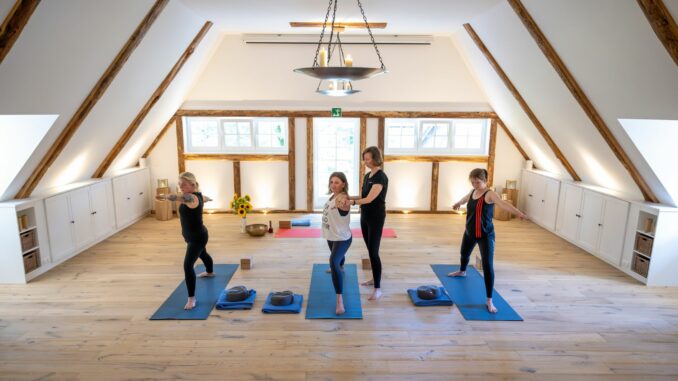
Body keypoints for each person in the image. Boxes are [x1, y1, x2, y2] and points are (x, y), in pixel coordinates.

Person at [448, 168, 528, 313]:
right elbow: (466, 198)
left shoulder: (490, 194)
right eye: (472, 182)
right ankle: (462, 271)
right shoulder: (473, 191)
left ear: (485, 181)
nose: (474, 185)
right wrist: (458, 203)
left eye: (477, 182)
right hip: (470, 232)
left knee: (487, 266)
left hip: (485, 235)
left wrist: (519, 213)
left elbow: (504, 205)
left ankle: (489, 300)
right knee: (464, 254)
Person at [161, 172, 215, 310]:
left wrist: (165, 196)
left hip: (197, 238)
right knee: (203, 254)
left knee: (187, 266)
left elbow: (178, 197)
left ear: (192, 184)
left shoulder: (190, 197)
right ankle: (209, 272)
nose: (180, 186)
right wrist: (207, 199)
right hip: (195, 236)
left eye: (183, 184)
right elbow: (203, 197)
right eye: (179, 183)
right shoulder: (197, 196)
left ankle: (191, 298)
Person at [349, 146, 388, 301]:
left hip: (376, 217)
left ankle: (377, 288)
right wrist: (347, 195)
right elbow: (363, 195)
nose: (365, 161)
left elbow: (370, 199)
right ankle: (374, 278)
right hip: (365, 216)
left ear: (376, 158)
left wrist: (351, 202)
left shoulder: (381, 177)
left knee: (374, 252)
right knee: (370, 249)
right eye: (364, 158)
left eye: (368, 158)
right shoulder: (367, 176)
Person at [322, 172, 352, 315]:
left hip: (342, 238)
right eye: (332, 182)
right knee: (337, 261)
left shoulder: (342, 198)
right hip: (330, 235)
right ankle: (341, 266)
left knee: (333, 262)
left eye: (337, 182)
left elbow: (344, 203)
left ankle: (340, 301)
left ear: (343, 184)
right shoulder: (332, 196)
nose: (333, 185)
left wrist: (346, 202)